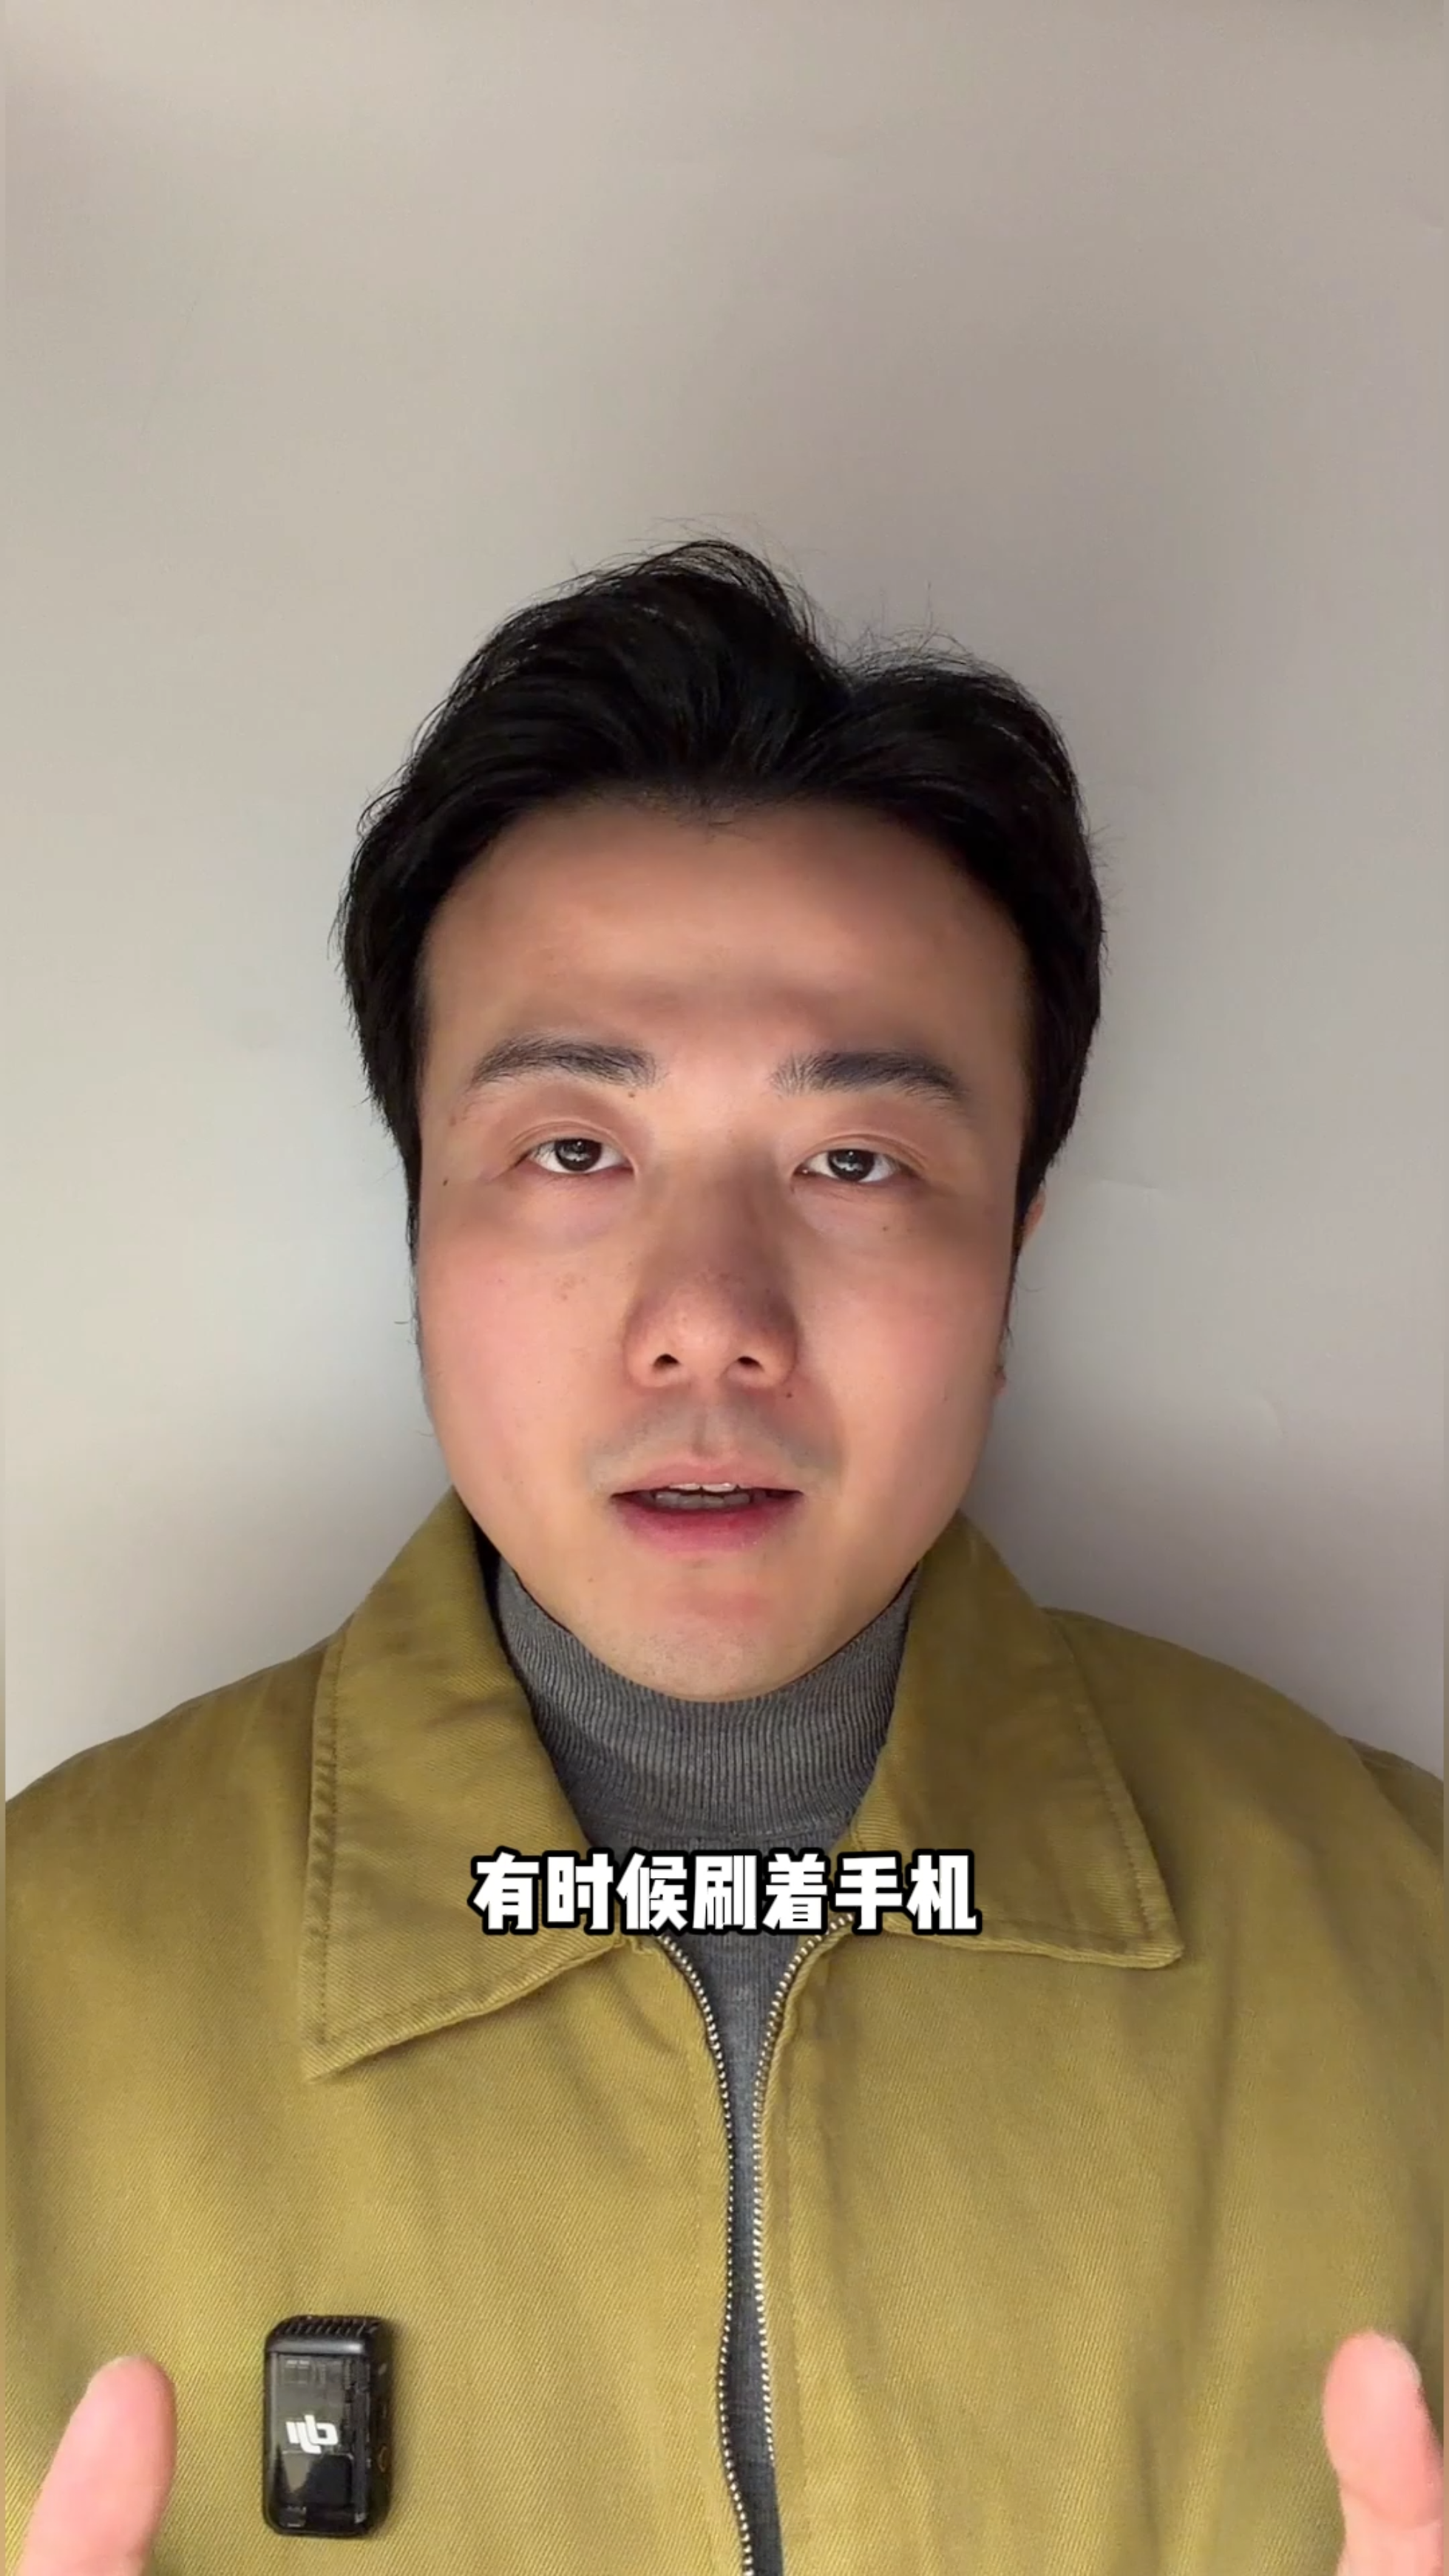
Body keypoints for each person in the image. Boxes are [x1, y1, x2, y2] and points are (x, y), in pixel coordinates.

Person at [7, 539, 1441, 2576]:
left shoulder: (1404, 1955)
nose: (708, 1319)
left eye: (855, 1160)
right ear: (417, 1229)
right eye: (572, 1149)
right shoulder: (37, 1985)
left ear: (1011, 1257)